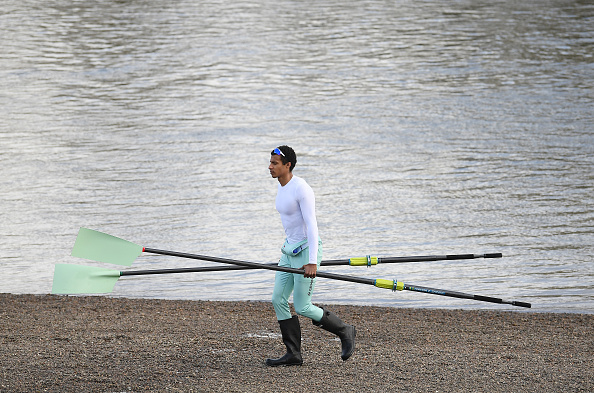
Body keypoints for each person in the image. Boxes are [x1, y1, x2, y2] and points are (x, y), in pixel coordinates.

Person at [265, 145, 356, 367]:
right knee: (278, 299)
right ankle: (293, 353)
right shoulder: (281, 186)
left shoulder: (301, 188)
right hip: (289, 251)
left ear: (288, 165)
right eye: (270, 162)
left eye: (275, 163)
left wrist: (312, 261)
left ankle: (345, 330)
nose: (270, 167)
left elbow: (312, 226)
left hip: (307, 252)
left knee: (303, 306)